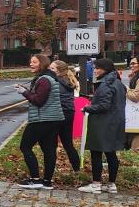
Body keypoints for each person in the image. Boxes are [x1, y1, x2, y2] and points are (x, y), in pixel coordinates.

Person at [14, 54, 62, 189]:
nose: (31, 64)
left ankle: (35, 179)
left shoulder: (44, 80)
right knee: (49, 150)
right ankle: (47, 181)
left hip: (41, 119)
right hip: (53, 119)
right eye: (30, 61)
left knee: (25, 146)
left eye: (34, 62)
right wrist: (27, 91)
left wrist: (24, 92)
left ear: (42, 64)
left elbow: (39, 100)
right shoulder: (50, 78)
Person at [79, 58, 126, 194]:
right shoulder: (118, 83)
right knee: (111, 153)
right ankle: (112, 184)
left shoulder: (106, 84)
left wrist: (87, 108)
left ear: (105, 69)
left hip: (102, 123)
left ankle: (96, 184)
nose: (95, 70)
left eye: (97, 68)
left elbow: (104, 105)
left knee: (96, 153)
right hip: (115, 122)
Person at [49, 60, 81, 172]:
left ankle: (50, 171)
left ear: (59, 71)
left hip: (58, 113)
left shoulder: (55, 81)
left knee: (51, 144)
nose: (49, 70)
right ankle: (77, 169)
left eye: (52, 68)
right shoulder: (68, 80)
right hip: (69, 113)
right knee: (68, 143)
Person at [125, 57, 139, 151]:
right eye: (131, 64)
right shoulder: (135, 77)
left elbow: (135, 97)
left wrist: (126, 89)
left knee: (135, 147)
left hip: (136, 116)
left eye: (134, 63)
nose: (132, 66)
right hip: (135, 116)